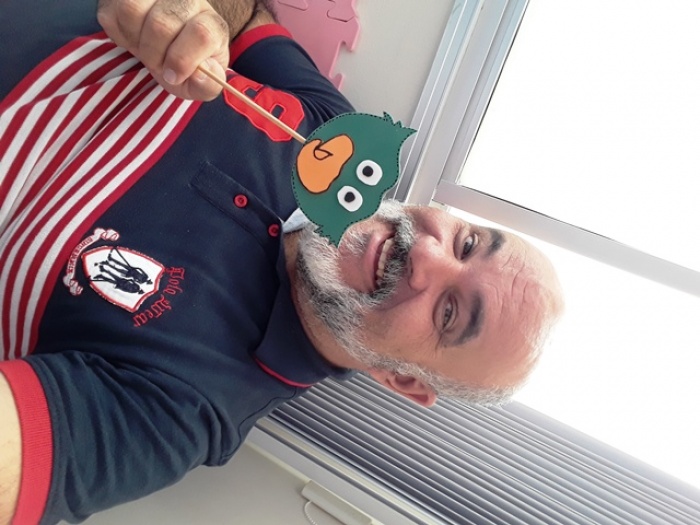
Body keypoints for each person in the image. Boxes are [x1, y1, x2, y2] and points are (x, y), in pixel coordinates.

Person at [0, 0, 564, 523]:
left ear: (402, 380)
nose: (425, 252)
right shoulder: (337, 138)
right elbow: (246, 14)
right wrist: (198, 17)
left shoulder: (186, 412)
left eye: (449, 313)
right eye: (466, 243)